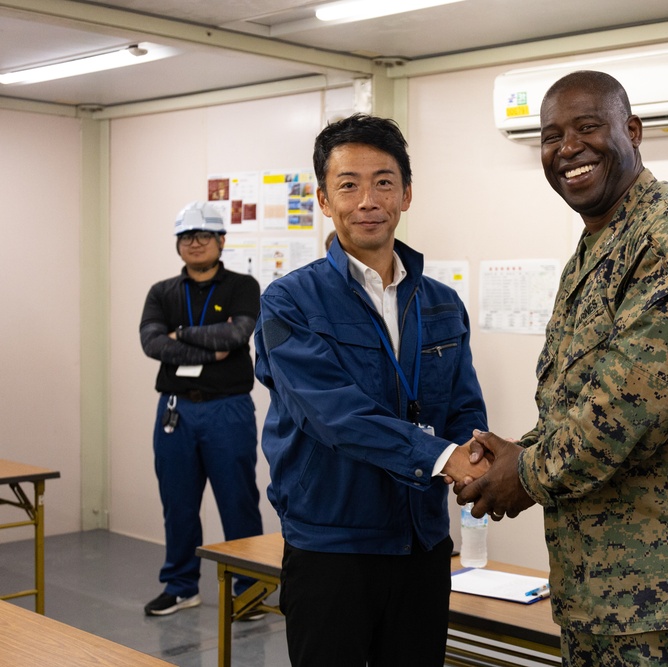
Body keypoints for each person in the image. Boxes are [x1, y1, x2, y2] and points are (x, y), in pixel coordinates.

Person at [456, 71, 668, 666]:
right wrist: (519, 451)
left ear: (631, 131)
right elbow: (584, 400)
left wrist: (522, 472)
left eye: (586, 128)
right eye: (551, 136)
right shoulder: (598, 245)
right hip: (605, 593)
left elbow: (635, 406)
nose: (567, 149)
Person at [254, 113, 489, 667]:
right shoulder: (289, 303)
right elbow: (335, 415)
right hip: (331, 544)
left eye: (384, 182)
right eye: (349, 184)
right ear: (322, 198)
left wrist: (481, 461)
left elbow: (463, 404)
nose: (368, 200)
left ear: (407, 194)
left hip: (421, 541)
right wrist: (447, 458)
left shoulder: (440, 302)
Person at [139, 201, 264, 617]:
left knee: (238, 500)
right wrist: (215, 350)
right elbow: (152, 343)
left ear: (221, 241)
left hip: (227, 410)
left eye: (203, 236)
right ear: (178, 245)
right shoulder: (162, 292)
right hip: (175, 411)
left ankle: (249, 589)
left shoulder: (243, 286)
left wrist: (184, 334)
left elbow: (240, 332)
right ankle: (180, 585)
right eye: (186, 237)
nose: (195, 244)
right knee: (177, 503)